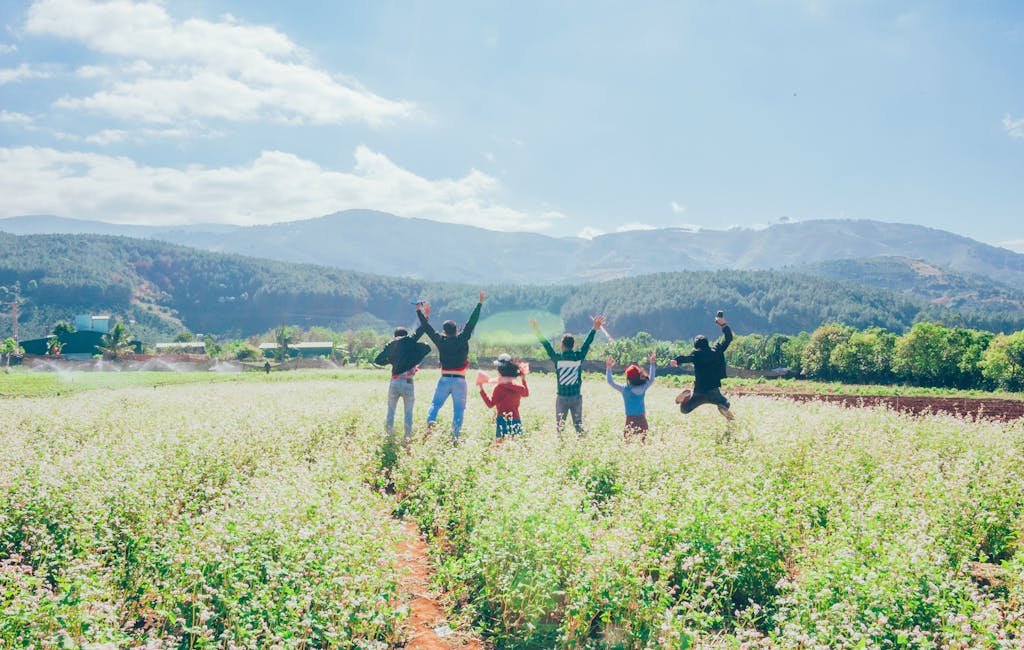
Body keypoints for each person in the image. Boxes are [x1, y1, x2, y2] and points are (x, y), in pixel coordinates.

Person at [417, 291, 485, 440]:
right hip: (460, 381)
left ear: (444, 331)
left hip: (444, 378)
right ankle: (455, 437)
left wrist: (419, 312)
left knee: (435, 404)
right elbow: (471, 323)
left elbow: (426, 327)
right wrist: (479, 303)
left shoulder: (440, 340)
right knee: (459, 411)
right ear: (456, 330)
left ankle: (431, 422)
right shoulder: (462, 338)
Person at [530, 315, 605, 434]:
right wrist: (594, 328)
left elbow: (546, 345)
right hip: (576, 397)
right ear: (573, 345)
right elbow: (586, 344)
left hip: (562, 398)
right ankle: (581, 445)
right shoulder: (578, 357)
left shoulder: (558, 359)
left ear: (562, 345)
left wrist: (536, 330)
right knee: (579, 426)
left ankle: (560, 445)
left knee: (560, 428)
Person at [373, 321, 431, 443]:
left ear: (395, 336)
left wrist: (391, 360)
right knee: (408, 413)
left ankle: (388, 436)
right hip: (408, 383)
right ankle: (407, 438)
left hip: (394, 381)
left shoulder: (392, 346)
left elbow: (378, 360)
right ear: (406, 335)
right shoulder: (409, 344)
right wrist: (425, 317)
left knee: (391, 410)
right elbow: (421, 334)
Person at [671, 312, 735, 420]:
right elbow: (728, 339)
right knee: (725, 403)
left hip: (699, 391)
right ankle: (723, 407)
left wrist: (676, 360)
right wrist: (723, 325)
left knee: (684, 409)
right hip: (713, 391)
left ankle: (685, 397)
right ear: (707, 343)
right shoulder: (716, 351)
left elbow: (686, 358)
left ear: (696, 346)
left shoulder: (696, 354)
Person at [606, 352, 657, 438]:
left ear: (628, 378)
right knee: (642, 443)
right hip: (642, 420)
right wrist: (652, 363)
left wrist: (609, 368)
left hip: (630, 420)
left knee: (628, 442)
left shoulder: (625, 389)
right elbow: (651, 379)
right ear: (639, 376)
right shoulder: (643, 387)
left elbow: (610, 382)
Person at [478, 354, 529, 440]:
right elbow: (526, 393)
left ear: (499, 371)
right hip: (515, 418)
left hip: (502, 419)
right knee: (516, 444)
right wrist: (523, 379)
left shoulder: (498, 388)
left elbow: (490, 404)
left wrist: (481, 388)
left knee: (499, 444)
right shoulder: (518, 388)